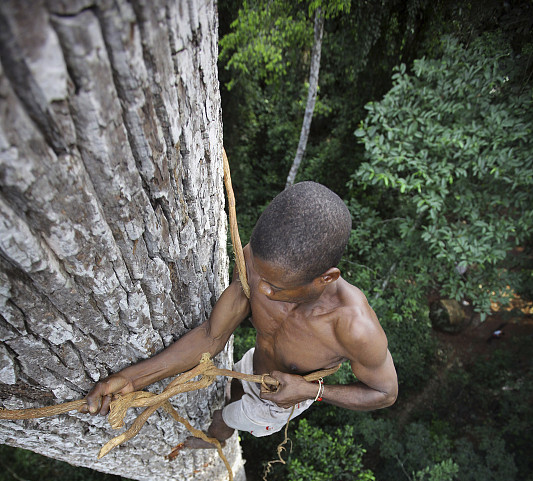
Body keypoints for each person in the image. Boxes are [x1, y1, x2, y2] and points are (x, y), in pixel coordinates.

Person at [85, 182, 398, 445]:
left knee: (227, 416)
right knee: (232, 390)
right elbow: (212, 335)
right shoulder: (256, 263)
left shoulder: (354, 327)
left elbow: (385, 393)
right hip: (253, 363)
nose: (262, 292)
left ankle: (216, 439)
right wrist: (130, 379)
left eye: (278, 288)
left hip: (283, 400)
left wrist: (310, 391)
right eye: (261, 278)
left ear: (326, 278)